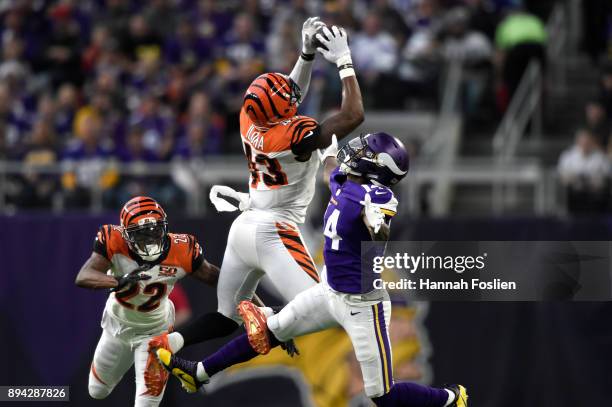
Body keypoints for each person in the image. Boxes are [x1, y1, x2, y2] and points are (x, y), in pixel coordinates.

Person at [156, 132, 468, 406]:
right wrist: (328, 154)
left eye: (365, 152)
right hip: (330, 291)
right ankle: (199, 372)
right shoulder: (348, 182)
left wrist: (376, 221)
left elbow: (379, 225)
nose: (356, 152)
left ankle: (450, 399)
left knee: (381, 395)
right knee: (271, 332)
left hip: (363, 306)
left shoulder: (379, 196)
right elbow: (332, 175)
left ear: (377, 167)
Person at [146, 18, 365, 362]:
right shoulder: (295, 136)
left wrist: (306, 54)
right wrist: (343, 60)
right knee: (327, 308)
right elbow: (352, 115)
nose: (293, 93)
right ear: (284, 113)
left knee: (224, 317)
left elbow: (289, 95)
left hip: (244, 228)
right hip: (275, 232)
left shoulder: (250, 118)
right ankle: (270, 321)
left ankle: (163, 345)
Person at [74, 196, 220, 406]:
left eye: (155, 232)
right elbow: (83, 276)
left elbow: (218, 278)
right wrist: (117, 281)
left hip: (155, 333)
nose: (150, 241)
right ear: (125, 234)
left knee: (147, 404)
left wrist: (251, 298)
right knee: (97, 390)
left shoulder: (182, 249)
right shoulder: (113, 240)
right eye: (141, 236)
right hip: (118, 326)